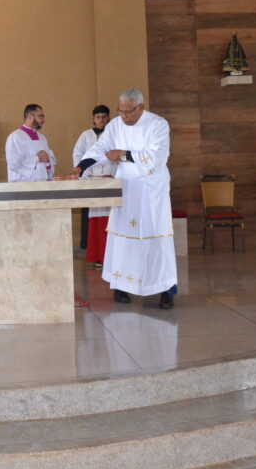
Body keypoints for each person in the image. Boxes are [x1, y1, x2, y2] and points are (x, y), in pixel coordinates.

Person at [73, 89, 178, 309]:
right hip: (127, 187)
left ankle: (165, 290)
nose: (124, 117)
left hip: (151, 190)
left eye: (129, 112)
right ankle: (121, 286)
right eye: (121, 111)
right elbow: (100, 147)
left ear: (141, 107)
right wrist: (81, 167)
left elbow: (156, 157)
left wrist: (123, 154)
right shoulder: (116, 125)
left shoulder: (158, 125)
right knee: (122, 236)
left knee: (156, 237)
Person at [72, 105, 116, 267]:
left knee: (111, 220)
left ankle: (110, 256)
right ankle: (96, 255)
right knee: (94, 221)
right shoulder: (86, 135)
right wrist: (84, 175)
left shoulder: (114, 134)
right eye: (98, 117)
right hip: (92, 179)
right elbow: (78, 154)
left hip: (111, 181)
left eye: (104, 117)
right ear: (93, 119)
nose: (101, 120)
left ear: (109, 118)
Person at [6, 104, 56, 182]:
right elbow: (13, 163)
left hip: (42, 184)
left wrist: (48, 159)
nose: (43, 120)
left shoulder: (42, 138)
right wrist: (37, 158)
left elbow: (51, 160)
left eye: (43, 117)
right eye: (40, 116)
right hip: (22, 185)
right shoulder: (15, 137)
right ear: (30, 117)